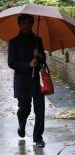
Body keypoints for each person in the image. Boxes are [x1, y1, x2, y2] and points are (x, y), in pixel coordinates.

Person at [8, 14, 46, 148]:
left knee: (40, 110)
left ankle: (38, 137)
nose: (26, 25)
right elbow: (11, 62)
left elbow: (44, 59)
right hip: (22, 81)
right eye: (23, 23)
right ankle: (22, 124)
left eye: (29, 23)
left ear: (32, 24)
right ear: (19, 25)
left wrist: (39, 55)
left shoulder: (38, 40)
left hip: (37, 80)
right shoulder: (13, 42)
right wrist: (28, 65)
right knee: (24, 109)